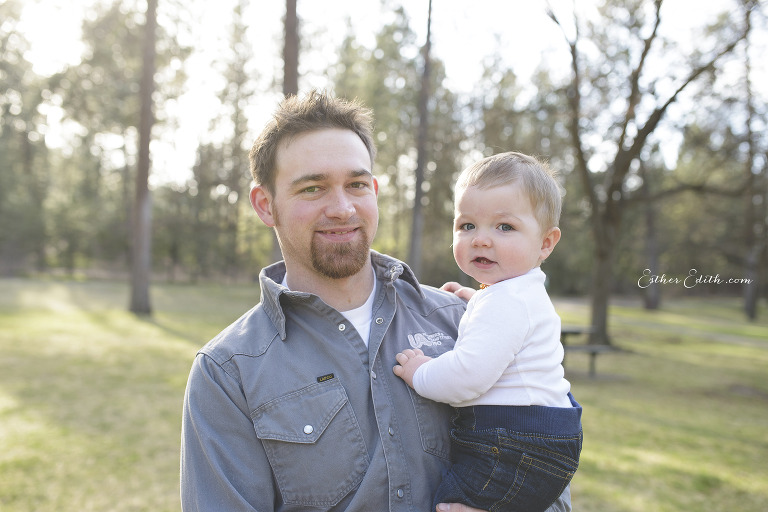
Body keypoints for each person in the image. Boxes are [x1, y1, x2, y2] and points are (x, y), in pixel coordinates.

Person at [180, 90, 572, 512]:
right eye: (312, 188)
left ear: (375, 190)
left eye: (356, 184)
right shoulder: (228, 372)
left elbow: (548, 478)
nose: (343, 208)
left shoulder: (461, 319)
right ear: (265, 204)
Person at [393, 152, 582, 512]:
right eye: (467, 226)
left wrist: (420, 373)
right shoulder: (512, 293)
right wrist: (474, 301)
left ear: (545, 243)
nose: (480, 239)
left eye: (504, 227)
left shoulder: (505, 302)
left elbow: (467, 377)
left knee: (452, 505)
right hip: (538, 436)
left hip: (517, 441)